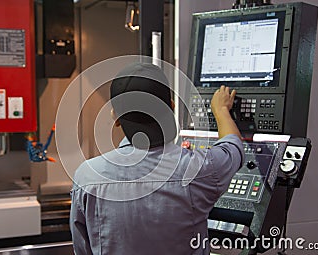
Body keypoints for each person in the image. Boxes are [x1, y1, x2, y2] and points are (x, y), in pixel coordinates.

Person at [70, 63, 244, 255]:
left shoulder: (86, 177)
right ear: (171, 107)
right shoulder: (198, 169)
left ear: (116, 116)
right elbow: (232, 147)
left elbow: (83, 248)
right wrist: (221, 111)